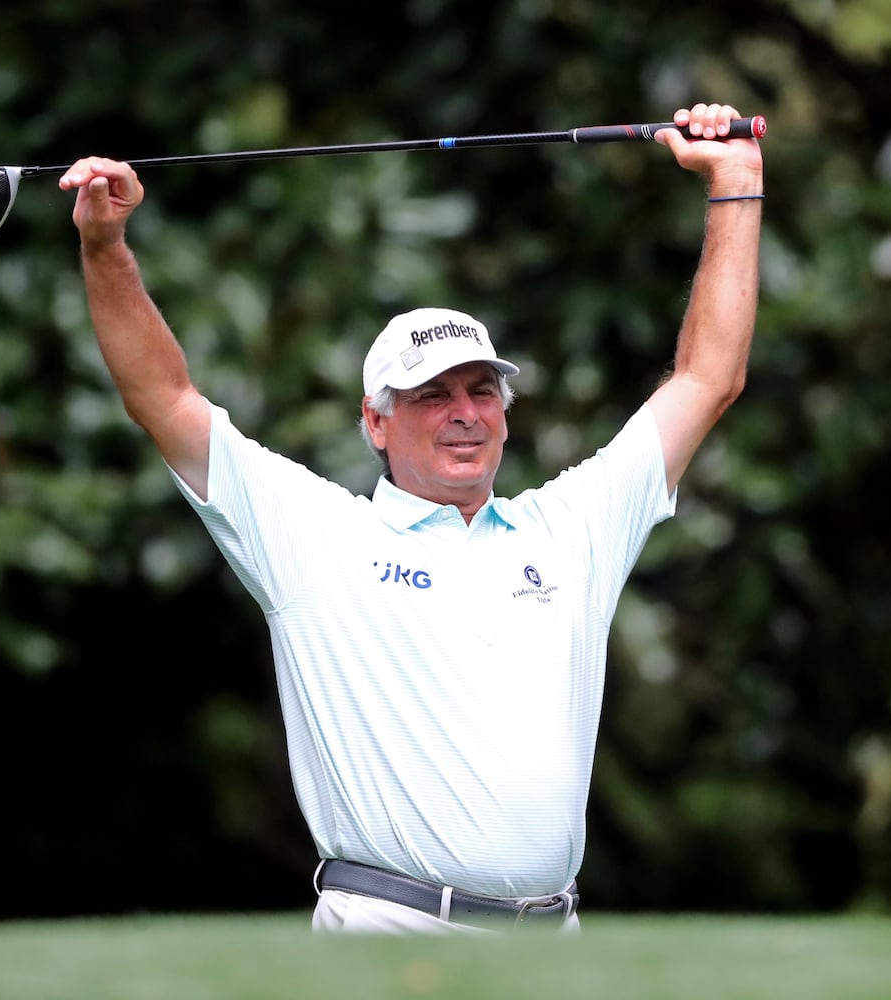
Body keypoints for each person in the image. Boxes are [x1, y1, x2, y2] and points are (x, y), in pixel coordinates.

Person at [58, 102, 763, 933]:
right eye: (431, 395)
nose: (464, 413)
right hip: (389, 932)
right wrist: (105, 248)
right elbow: (164, 398)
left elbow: (707, 379)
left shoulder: (571, 529)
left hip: (553, 944)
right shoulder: (315, 534)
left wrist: (736, 187)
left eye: (480, 391)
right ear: (376, 422)